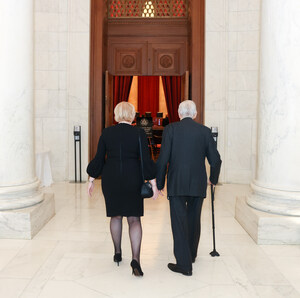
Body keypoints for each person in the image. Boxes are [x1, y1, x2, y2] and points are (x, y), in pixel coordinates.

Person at [87, 101, 158, 277]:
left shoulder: (107, 132)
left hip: (111, 179)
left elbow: (98, 158)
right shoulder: (139, 133)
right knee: (134, 219)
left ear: (116, 115)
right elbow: (146, 159)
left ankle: (117, 253)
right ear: (132, 115)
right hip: (133, 179)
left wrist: (91, 179)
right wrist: (154, 184)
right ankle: (136, 260)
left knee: (115, 216)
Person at [156, 100, 222, 276]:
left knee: (179, 222)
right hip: (197, 183)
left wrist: (160, 183)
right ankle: (191, 255)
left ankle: (184, 264)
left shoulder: (171, 129)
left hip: (177, 182)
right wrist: (213, 179)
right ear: (195, 114)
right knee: (194, 219)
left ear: (178, 114)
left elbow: (163, 159)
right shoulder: (204, 131)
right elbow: (216, 160)